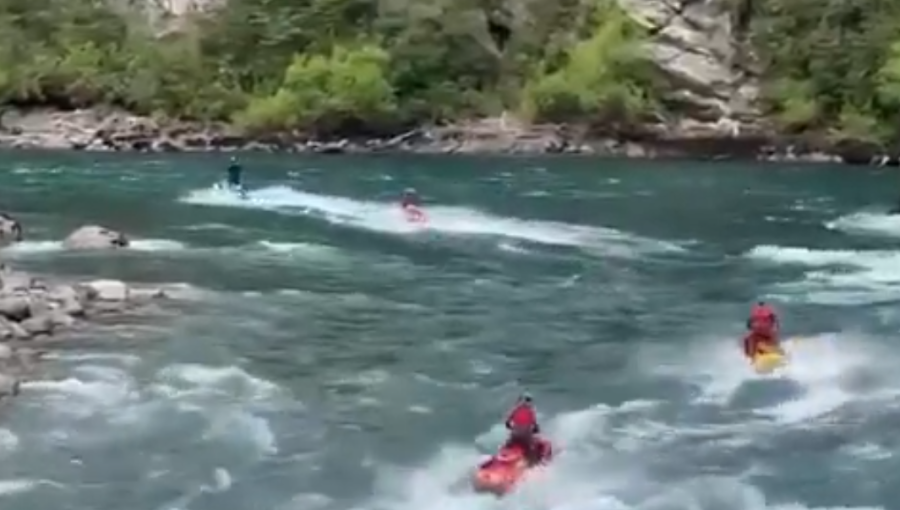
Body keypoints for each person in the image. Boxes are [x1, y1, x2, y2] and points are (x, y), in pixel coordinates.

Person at [502, 393, 546, 465]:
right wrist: (535, 430)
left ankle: (503, 459)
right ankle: (533, 464)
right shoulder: (530, 411)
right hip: (526, 436)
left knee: (507, 445)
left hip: (514, 435)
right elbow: (535, 426)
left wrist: (512, 427)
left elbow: (507, 423)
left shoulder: (515, 410)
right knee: (532, 449)